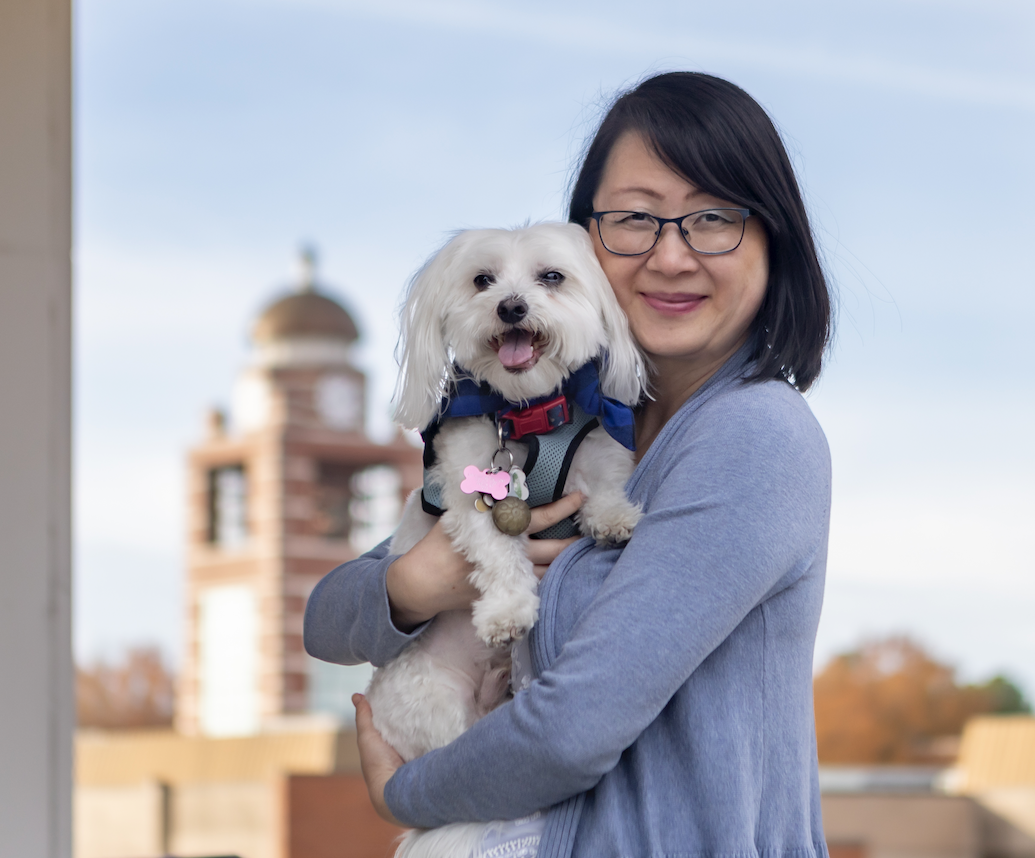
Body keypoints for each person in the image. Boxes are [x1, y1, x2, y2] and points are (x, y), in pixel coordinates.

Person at [304, 71, 833, 858]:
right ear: (588, 241)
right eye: (634, 220)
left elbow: (569, 730)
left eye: (714, 218)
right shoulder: (542, 433)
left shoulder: (752, 436)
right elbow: (326, 620)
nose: (672, 255)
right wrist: (420, 581)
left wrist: (403, 792)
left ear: (772, 239)